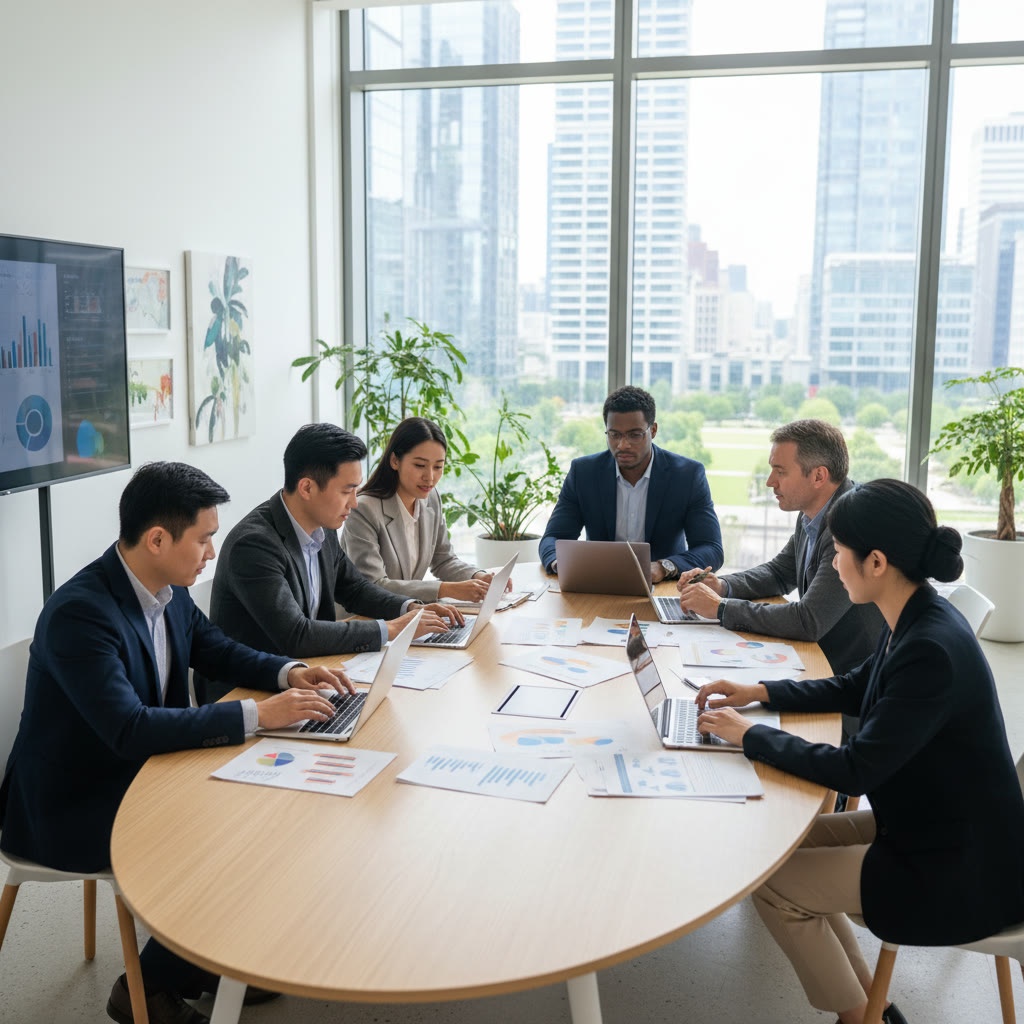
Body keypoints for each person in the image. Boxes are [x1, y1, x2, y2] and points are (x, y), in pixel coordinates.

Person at [0, 462, 352, 1024]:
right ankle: (153, 985)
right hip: (73, 802)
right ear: (158, 539)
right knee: (233, 835)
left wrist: (290, 672)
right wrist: (258, 715)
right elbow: (130, 728)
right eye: (205, 537)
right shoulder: (81, 614)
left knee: (272, 811)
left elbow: (216, 649)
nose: (213, 551)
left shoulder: (167, 586)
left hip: (142, 772)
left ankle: (204, 959)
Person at [693, 479, 1024, 1024]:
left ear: (875, 562)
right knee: (780, 850)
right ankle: (875, 1009)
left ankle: (859, 1018)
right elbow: (852, 685)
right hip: (934, 827)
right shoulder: (918, 618)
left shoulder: (929, 650)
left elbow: (854, 768)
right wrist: (761, 693)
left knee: (774, 885)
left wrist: (749, 736)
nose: (833, 566)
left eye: (839, 554)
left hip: (960, 870)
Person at [199, 423, 463, 703]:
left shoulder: (322, 525)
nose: (355, 502)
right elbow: (296, 635)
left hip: (309, 680)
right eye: (347, 491)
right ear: (307, 488)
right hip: (249, 695)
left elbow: (355, 589)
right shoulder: (254, 545)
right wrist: (393, 628)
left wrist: (409, 608)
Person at [677, 419, 884, 676]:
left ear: (819, 476)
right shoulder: (814, 511)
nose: (770, 482)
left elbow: (808, 621)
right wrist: (721, 586)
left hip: (849, 678)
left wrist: (721, 607)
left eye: (780, 471)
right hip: (821, 660)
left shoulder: (849, 525)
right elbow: (780, 572)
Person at [538, 385, 723, 581]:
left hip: (661, 588)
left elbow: (711, 548)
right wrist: (561, 563)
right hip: (598, 586)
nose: (623, 445)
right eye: (614, 434)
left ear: (653, 430)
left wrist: (664, 567)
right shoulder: (583, 473)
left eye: (634, 435)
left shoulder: (687, 475)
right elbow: (553, 538)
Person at [341, 417, 506, 603]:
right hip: (364, 620)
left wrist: (479, 577)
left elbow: (444, 560)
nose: (430, 477)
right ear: (395, 461)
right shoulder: (364, 509)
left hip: (409, 615)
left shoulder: (431, 499)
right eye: (420, 465)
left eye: (438, 467)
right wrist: (445, 589)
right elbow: (375, 585)